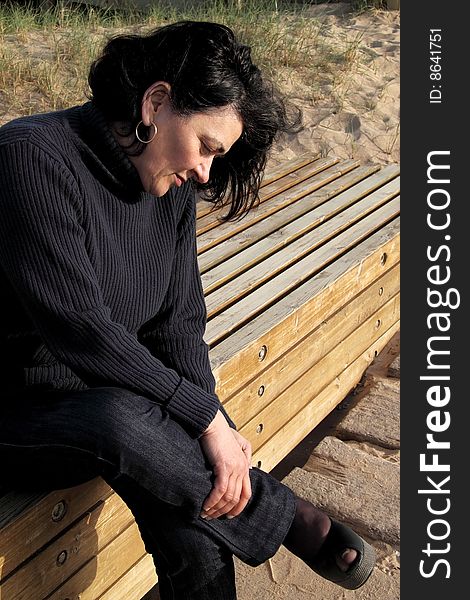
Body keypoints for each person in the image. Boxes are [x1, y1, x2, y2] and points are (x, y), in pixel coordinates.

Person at [0, 21, 375, 599]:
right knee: (124, 422)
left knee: (199, 521)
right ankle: (284, 515)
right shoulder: (31, 159)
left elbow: (178, 322)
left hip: (115, 404)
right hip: (20, 414)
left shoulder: (169, 186)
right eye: (206, 147)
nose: (205, 171)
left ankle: (247, 507)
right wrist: (199, 418)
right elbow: (82, 331)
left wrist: (217, 422)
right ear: (155, 102)